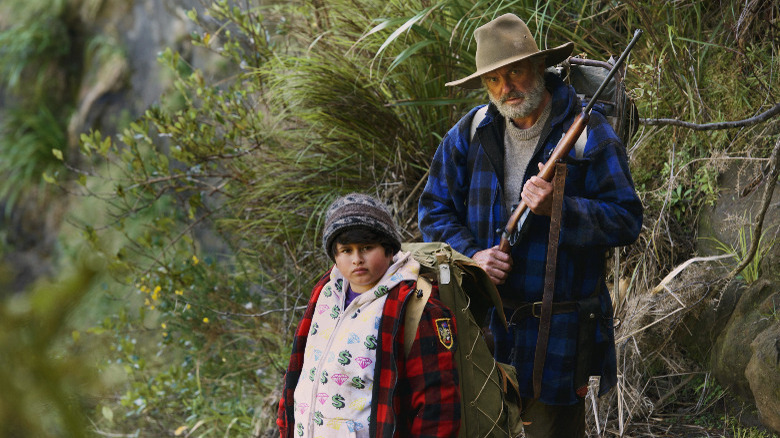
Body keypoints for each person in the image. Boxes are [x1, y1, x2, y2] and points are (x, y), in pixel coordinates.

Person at [418, 13, 643, 438]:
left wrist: (562, 207)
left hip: (557, 337)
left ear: (540, 67)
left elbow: (627, 219)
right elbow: (433, 211)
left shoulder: (587, 134)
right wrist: (472, 257)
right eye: (494, 80)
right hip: (485, 332)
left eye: (515, 72)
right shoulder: (469, 134)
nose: (507, 89)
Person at [277, 193, 460, 438]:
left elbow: (437, 405)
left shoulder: (414, 306)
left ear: (388, 249)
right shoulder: (325, 293)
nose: (357, 260)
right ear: (334, 255)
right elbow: (298, 369)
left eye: (366, 248)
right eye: (346, 250)